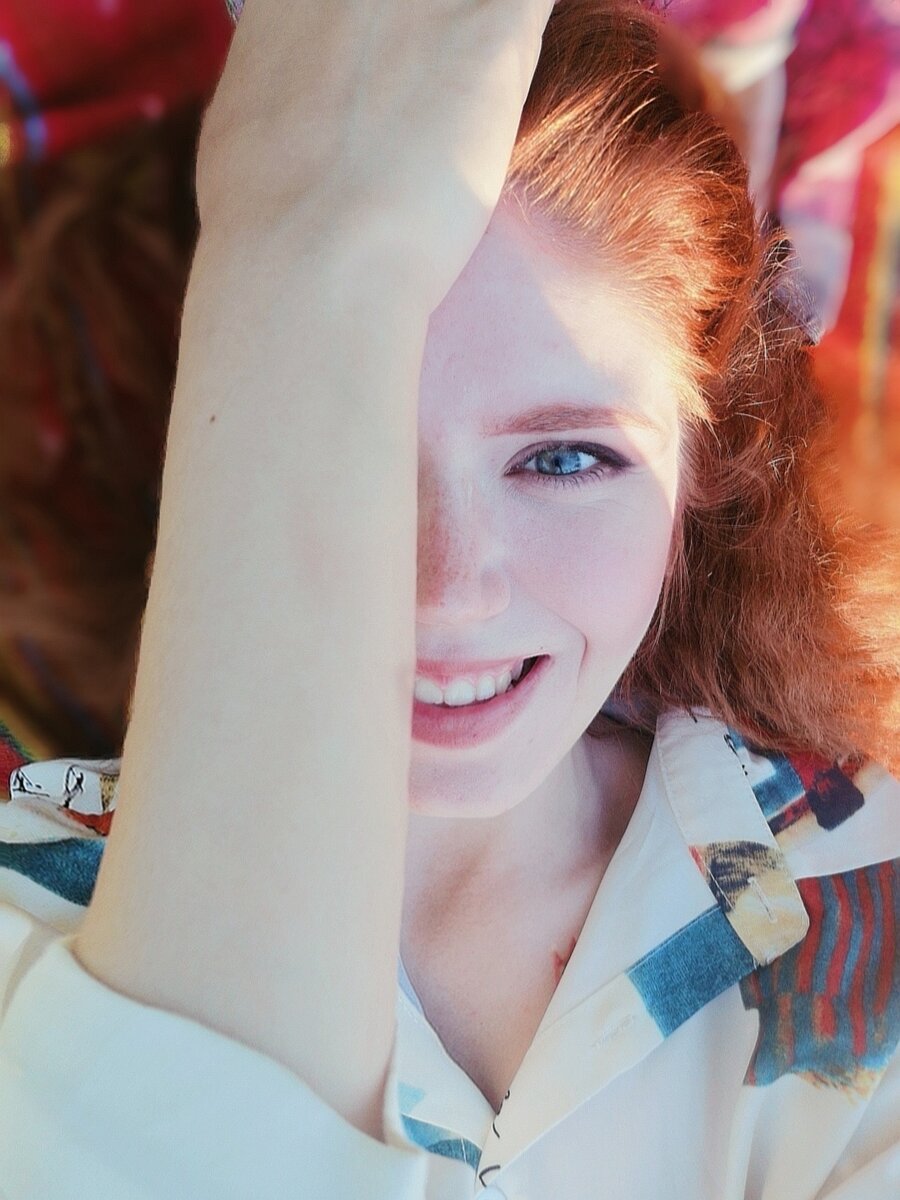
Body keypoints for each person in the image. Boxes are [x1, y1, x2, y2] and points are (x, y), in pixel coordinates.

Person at [0, 0, 897, 1196]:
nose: (448, 591)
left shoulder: (874, 897)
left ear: (700, 471)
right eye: (350, 456)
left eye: (564, 457)